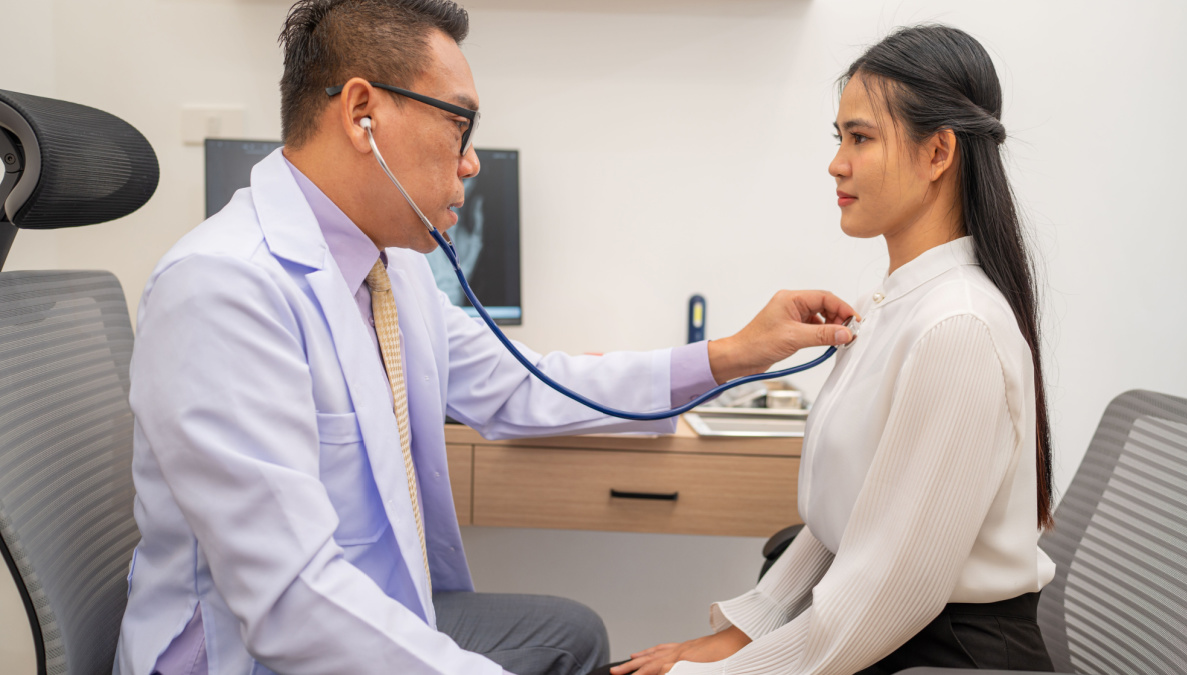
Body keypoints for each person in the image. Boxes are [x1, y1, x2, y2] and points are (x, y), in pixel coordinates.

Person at [111, 1, 858, 674]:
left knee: (571, 631)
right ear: (362, 112)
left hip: (378, 611)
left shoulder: (392, 272)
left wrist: (732, 353)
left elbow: (528, 383)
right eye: (458, 123)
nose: (470, 160)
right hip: (255, 654)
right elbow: (291, 600)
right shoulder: (224, 288)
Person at [609, 25, 1057, 675]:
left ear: (937, 153)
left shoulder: (958, 328)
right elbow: (845, 529)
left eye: (861, 137)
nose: (836, 163)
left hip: (944, 656)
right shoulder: (893, 308)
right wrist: (743, 631)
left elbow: (889, 592)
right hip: (880, 640)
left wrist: (719, 674)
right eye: (839, 137)